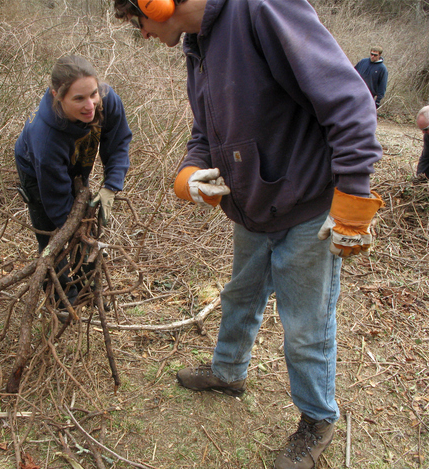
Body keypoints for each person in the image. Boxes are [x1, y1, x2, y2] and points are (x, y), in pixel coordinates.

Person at [112, 1, 384, 468]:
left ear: (156, 3)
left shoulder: (263, 9)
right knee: (240, 296)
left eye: (138, 22)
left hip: (306, 207)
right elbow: (206, 129)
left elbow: (350, 101)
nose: (142, 34)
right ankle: (228, 371)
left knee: (305, 327)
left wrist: (354, 199)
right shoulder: (197, 44)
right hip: (252, 208)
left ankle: (318, 420)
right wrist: (189, 174)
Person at [14, 55, 131, 307]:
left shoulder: (106, 100)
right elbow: (58, 206)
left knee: (84, 217)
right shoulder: (45, 138)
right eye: (78, 98)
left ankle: (89, 288)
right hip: (37, 173)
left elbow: (118, 141)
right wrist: (79, 233)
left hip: (76, 160)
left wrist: (112, 184)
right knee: (53, 235)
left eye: (93, 94)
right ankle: (62, 298)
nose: (90, 105)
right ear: (58, 96)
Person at [416, 105, 429, 178]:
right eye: (421, 129)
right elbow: (425, 158)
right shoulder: (428, 136)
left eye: (425, 129)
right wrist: (419, 178)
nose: (423, 132)